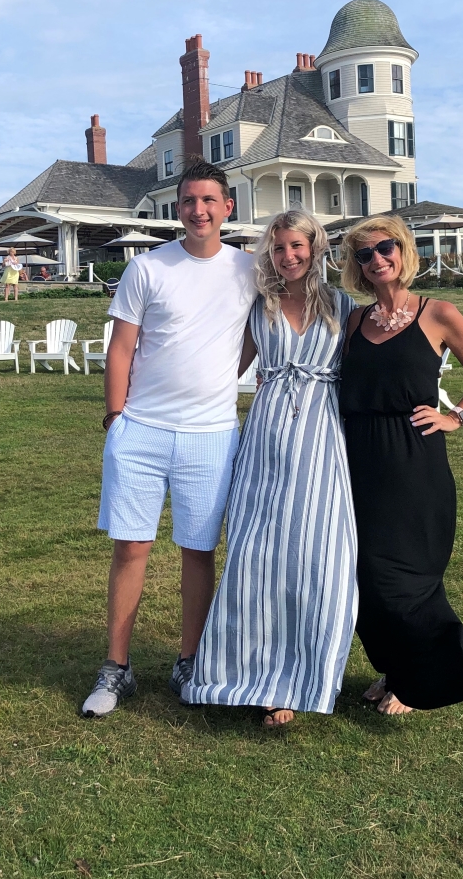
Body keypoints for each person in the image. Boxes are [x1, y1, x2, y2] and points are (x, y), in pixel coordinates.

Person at [81, 158, 256, 718]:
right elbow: (121, 349)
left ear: (228, 207)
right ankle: (116, 667)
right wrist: (115, 419)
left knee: (198, 552)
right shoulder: (148, 269)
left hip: (211, 435)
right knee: (131, 548)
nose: (198, 210)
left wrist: (222, 374)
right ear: (176, 209)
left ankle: (190, 661)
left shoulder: (250, 270)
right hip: (142, 431)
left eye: (209, 200)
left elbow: (257, 337)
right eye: (188, 201)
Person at [183, 210, 358, 728]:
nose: (289, 257)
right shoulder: (259, 307)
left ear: (316, 247)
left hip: (324, 439)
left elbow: (365, 373)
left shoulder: (343, 306)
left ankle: (301, 679)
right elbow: (223, 368)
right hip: (267, 439)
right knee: (258, 555)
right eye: (279, 248)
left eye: (297, 246)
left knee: (317, 558)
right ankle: (252, 677)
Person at [339, 216, 463, 715]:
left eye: (384, 248)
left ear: (403, 250)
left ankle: (426, 677)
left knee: (408, 577)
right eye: (364, 255)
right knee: (364, 574)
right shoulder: (354, 321)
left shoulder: (438, 314)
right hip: (359, 461)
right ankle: (394, 669)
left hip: (415, 463)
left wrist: (457, 417)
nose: (376, 260)